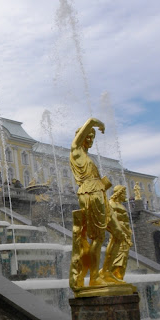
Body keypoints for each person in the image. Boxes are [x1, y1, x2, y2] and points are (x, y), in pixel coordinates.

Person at [69, 118, 112, 289]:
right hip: (90, 193)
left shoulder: (86, 157)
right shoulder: (76, 150)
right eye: (88, 136)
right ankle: (94, 277)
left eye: (92, 137)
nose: (90, 140)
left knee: (98, 237)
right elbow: (82, 133)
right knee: (98, 237)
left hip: (96, 192)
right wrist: (95, 122)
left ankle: (94, 274)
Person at [100, 185, 133, 281]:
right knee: (118, 256)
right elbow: (114, 221)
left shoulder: (121, 205)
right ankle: (106, 275)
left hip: (126, 233)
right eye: (124, 194)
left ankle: (119, 277)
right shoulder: (111, 204)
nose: (125, 196)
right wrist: (126, 231)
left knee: (124, 258)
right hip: (118, 234)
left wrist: (128, 231)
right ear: (119, 194)